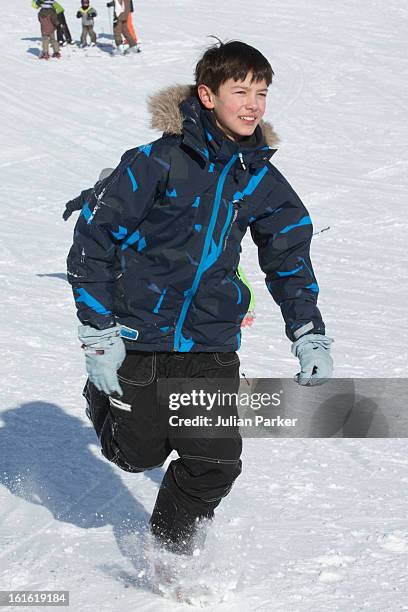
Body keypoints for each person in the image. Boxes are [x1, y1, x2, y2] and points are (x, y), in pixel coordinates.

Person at [66, 40, 333, 556]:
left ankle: (168, 558)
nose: (253, 104)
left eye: (261, 92)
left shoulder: (258, 177)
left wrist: (308, 333)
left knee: (213, 463)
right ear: (208, 96)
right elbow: (93, 243)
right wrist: (98, 332)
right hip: (138, 334)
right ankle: (103, 400)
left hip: (211, 340)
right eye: (241, 91)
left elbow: (289, 258)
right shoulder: (156, 162)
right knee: (137, 455)